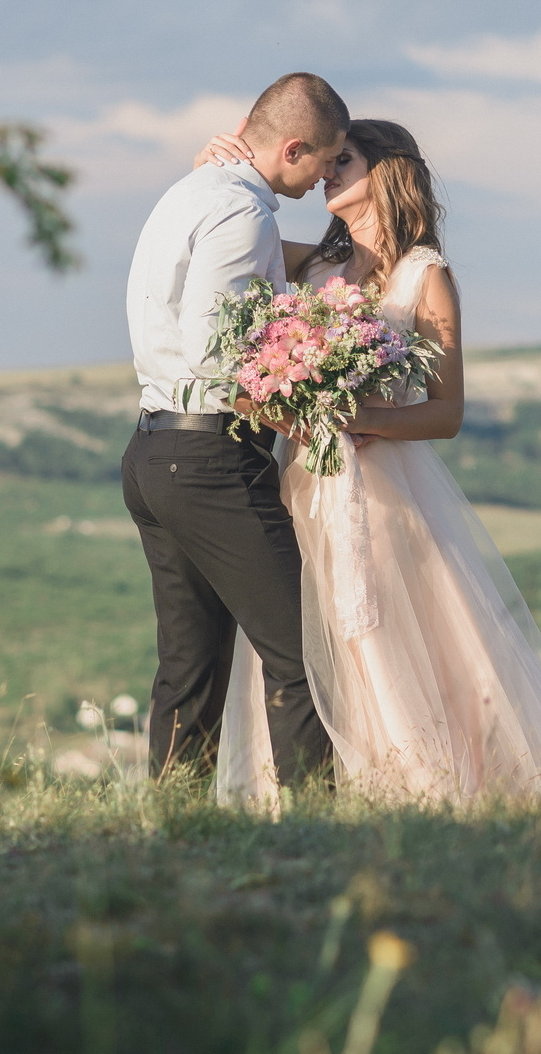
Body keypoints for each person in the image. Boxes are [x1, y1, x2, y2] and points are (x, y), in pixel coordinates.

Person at [193, 118, 541, 803]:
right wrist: (215, 171)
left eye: (341, 159)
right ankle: (302, 794)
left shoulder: (424, 276)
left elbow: (447, 410)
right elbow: (236, 241)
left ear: (387, 170)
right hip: (303, 488)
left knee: (386, 638)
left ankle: (413, 789)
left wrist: (366, 418)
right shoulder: (315, 264)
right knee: (301, 641)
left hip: (384, 495)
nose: (324, 173)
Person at [121, 72, 348, 783]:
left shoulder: (192, 193)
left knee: (188, 669)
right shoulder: (243, 214)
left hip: (155, 451)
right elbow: (216, 351)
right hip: (211, 457)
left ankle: (174, 827)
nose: (321, 181)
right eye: (323, 161)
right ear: (292, 147)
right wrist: (301, 412)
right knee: (302, 655)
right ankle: (316, 829)